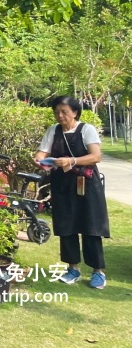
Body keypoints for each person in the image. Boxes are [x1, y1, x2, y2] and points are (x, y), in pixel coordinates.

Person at [33, 95, 109, 289]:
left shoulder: (87, 129)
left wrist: (71, 161)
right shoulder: (53, 131)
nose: (60, 115)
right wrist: (39, 159)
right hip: (62, 185)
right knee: (67, 226)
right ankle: (72, 268)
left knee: (90, 225)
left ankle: (98, 272)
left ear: (75, 112)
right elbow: (42, 152)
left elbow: (96, 156)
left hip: (87, 184)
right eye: (57, 112)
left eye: (64, 112)